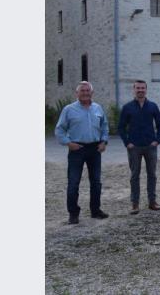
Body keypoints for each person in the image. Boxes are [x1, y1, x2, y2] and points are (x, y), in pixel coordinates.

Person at [55, 81, 110, 224]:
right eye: (82, 91)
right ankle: (73, 214)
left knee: (96, 182)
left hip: (95, 149)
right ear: (77, 93)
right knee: (73, 182)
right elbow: (59, 129)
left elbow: (104, 126)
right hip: (77, 149)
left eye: (88, 90)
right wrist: (68, 143)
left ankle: (95, 210)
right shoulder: (69, 109)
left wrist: (104, 141)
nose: (85, 93)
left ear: (92, 92)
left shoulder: (98, 108)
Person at [118, 80, 160, 214]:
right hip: (134, 147)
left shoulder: (152, 106)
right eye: (138, 88)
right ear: (134, 90)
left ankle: (152, 202)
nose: (140, 90)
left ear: (146, 90)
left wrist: (157, 140)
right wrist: (127, 143)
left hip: (150, 146)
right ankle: (135, 204)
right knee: (134, 176)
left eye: (142, 88)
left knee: (152, 175)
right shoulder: (127, 107)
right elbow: (121, 127)